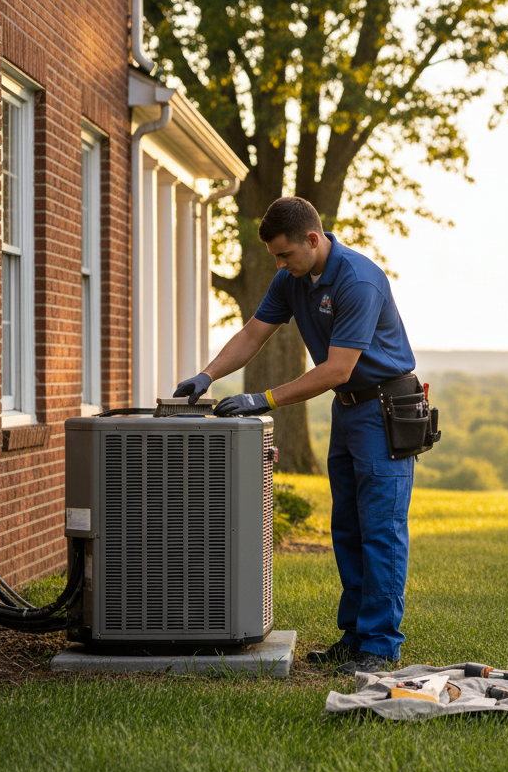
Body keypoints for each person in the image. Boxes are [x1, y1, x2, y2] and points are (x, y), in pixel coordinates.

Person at [174, 196, 421, 674]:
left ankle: (380, 645)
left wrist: (262, 399)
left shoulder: (358, 280)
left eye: (285, 255)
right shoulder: (292, 279)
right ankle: (354, 636)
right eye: (276, 259)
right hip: (349, 412)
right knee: (348, 528)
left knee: (381, 530)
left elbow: (336, 369)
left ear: (313, 239)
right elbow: (252, 334)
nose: (280, 265)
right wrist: (206, 376)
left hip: (384, 410)